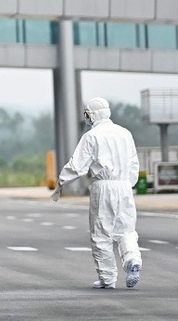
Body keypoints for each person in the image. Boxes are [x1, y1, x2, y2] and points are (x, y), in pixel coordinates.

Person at [52, 97, 142, 289]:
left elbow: (77, 165)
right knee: (126, 230)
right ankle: (132, 259)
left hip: (103, 186)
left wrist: (61, 183)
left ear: (92, 114)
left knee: (101, 234)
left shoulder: (91, 136)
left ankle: (108, 279)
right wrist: (128, 184)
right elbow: (134, 163)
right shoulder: (125, 133)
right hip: (124, 185)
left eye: (87, 114)